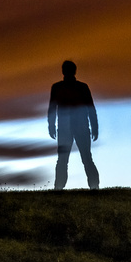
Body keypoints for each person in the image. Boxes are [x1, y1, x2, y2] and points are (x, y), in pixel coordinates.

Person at [48, 60, 99, 190]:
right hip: (71, 128)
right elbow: (90, 109)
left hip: (74, 128)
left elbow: (90, 108)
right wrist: (51, 125)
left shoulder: (75, 87)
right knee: (73, 159)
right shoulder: (67, 87)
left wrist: (51, 126)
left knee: (79, 158)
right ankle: (59, 187)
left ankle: (60, 187)